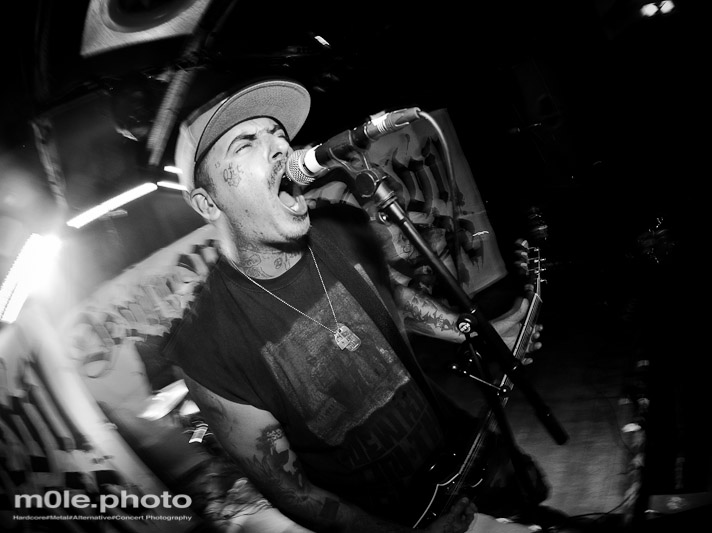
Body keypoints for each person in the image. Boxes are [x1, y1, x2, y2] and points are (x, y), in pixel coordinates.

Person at [164, 78, 547, 533]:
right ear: (207, 203)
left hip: (465, 445)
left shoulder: (341, 229)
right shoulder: (204, 347)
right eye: (246, 143)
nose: (280, 148)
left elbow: (393, 300)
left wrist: (476, 332)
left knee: (534, 494)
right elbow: (294, 492)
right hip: (397, 518)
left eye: (278, 134)